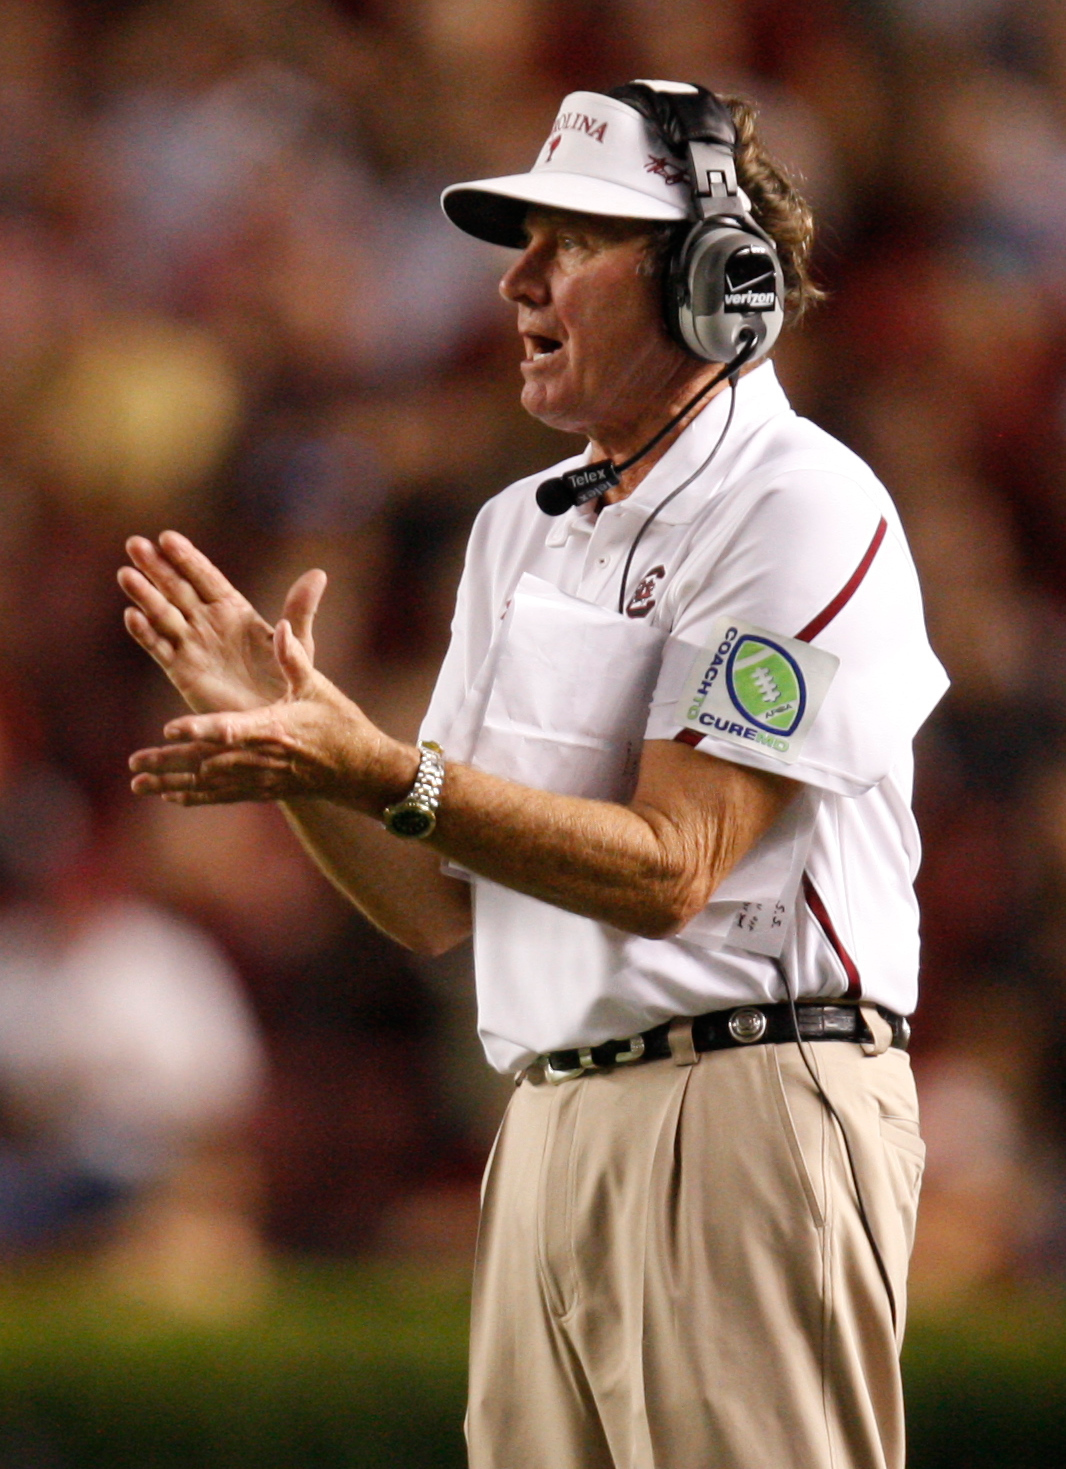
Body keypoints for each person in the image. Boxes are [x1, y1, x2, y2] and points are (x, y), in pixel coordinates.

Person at [119, 81, 947, 1469]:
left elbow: (677, 865)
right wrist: (301, 757)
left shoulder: (804, 503)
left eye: (570, 241)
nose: (516, 279)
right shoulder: (523, 526)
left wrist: (381, 765)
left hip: (744, 1098)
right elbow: (442, 902)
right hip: (550, 1111)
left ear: (711, 281)